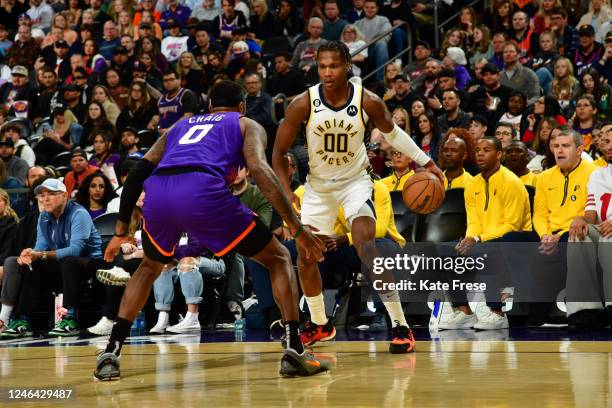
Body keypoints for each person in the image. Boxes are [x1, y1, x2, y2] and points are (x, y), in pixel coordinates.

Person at [94, 80, 329, 381]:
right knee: (279, 258)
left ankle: (111, 351)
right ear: (242, 106)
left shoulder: (180, 125)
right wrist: (296, 228)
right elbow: (257, 168)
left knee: (150, 265)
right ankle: (295, 348)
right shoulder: (246, 123)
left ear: (208, 107)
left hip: (161, 192)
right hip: (204, 190)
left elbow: (140, 169)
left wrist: (120, 229)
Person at [272, 41, 444, 354]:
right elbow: (279, 152)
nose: (327, 72)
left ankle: (400, 325)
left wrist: (426, 162)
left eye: (333, 66)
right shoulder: (302, 102)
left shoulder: (368, 101)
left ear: (347, 66)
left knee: (367, 245)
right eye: (322, 66)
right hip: (318, 187)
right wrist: (285, 192)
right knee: (306, 256)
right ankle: (321, 323)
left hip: (355, 183)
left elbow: (393, 134)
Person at [441, 137, 532, 330]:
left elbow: (512, 226)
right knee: (443, 252)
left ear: (499, 155)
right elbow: (473, 221)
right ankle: (464, 311)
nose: (480, 154)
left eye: (486, 150)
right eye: (478, 150)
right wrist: (469, 239)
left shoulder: (512, 183)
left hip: (514, 242)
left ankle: (497, 313)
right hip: (481, 239)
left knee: (486, 252)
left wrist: (477, 239)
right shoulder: (472, 184)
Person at [0, 178, 104, 338]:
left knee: (69, 261)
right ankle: (23, 321)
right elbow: (40, 247)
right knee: (33, 265)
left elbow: (75, 250)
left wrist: (40, 254)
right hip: (62, 264)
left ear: (65, 195)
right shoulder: (44, 217)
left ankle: (70, 319)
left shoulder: (79, 213)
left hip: (90, 263)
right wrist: (30, 254)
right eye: (42, 195)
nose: (45, 199)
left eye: (51, 194)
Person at [565, 122, 612, 330]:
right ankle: (584, 310)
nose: (608, 144)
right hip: (604, 228)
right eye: (605, 140)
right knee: (578, 234)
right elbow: (592, 215)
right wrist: (581, 220)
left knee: (608, 236)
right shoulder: (597, 175)